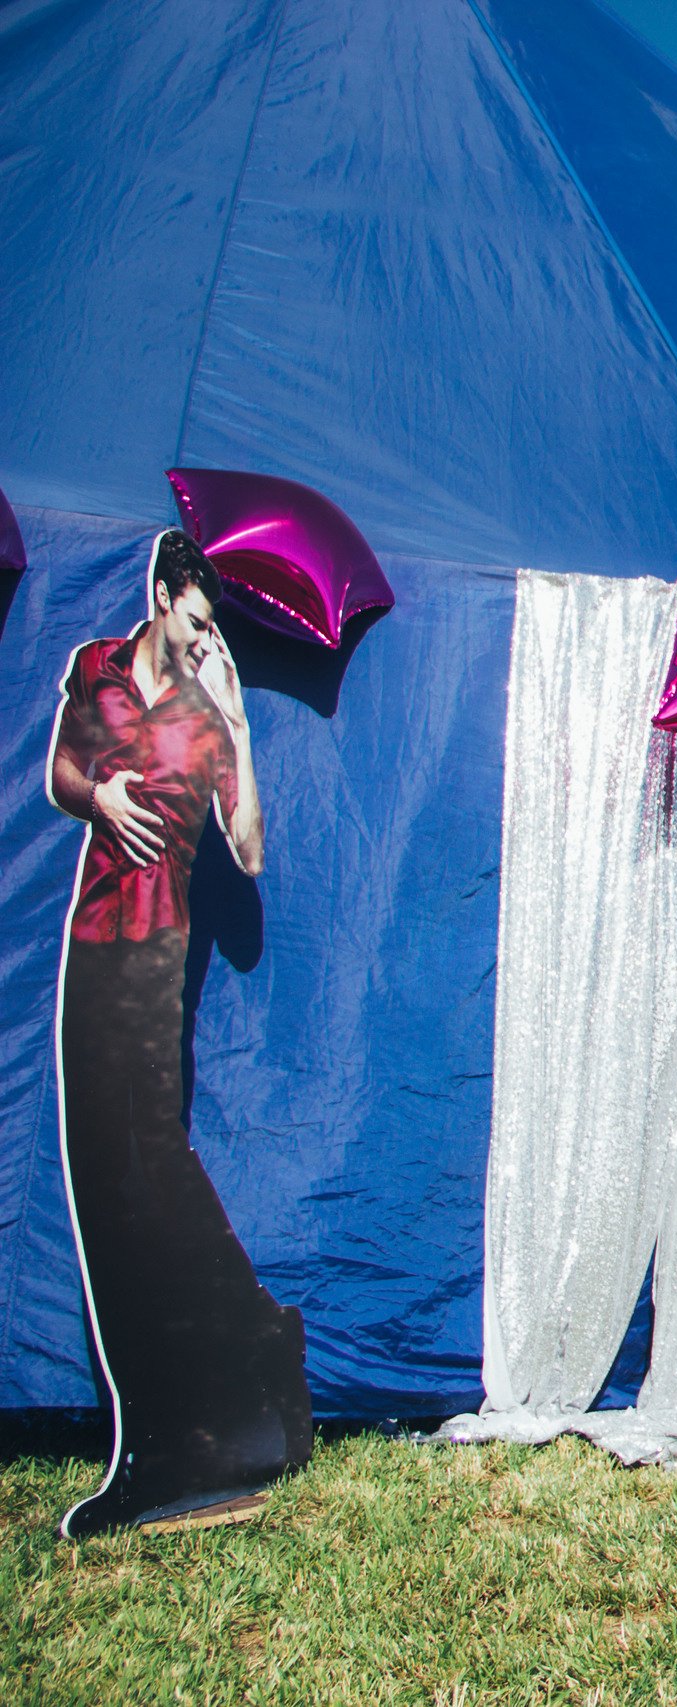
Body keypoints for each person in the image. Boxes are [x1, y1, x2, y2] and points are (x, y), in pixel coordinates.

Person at [48, 530, 311, 1538]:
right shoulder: (97, 672)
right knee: (113, 1172)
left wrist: (239, 726)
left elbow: (246, 852)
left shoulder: (207, 715)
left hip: (155, 959)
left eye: (215, 628)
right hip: (91, 949)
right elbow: (64, 772)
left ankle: (194, 1425)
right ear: (163, 594)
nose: (204, 639)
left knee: (139, 1170)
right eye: (195, 618)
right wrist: (99, 791)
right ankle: (242, 1371)